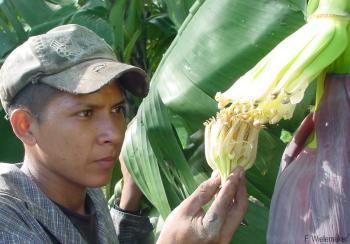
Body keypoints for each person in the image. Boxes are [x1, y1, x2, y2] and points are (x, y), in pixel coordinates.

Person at [0, 24, 248, 244]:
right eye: (86, 113)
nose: (114, 134)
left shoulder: (86, 194)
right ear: (25, 126)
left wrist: (129, 198)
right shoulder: (6, 218)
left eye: (117, 109)